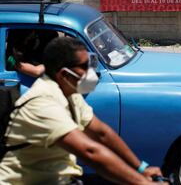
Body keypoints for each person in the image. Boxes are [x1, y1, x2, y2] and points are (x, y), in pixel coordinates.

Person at [0, 37, 166, 185]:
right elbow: (90, 152)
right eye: (84, 67)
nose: (90, 72)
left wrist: (141, 168)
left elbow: (102, 133)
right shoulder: (42, 104)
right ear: (64, 74)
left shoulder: (69, 92)